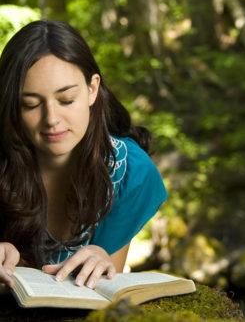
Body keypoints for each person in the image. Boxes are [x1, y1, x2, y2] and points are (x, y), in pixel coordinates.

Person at [0, 20, 168, 291]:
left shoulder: (130, 173)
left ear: (92, 89)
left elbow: (103, 294)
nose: (51, 119)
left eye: (66, 100)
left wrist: (102, 261)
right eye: (30, 105)